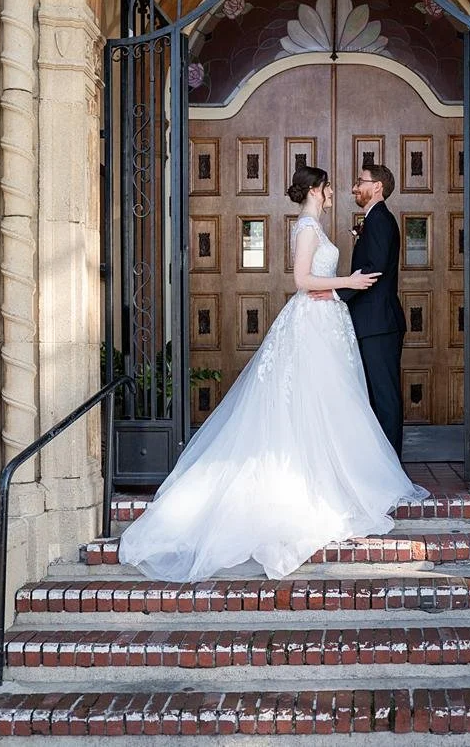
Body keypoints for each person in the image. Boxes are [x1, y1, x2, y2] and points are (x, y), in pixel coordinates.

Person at [117, 164, 427, 581]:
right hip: (312, 324)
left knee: (330, 405)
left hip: (327, 323)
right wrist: (345, 284)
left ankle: (338, 476)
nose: (338, 190)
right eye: (331, 186)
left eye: (348, 184)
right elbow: (302, 280)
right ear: (316, 190)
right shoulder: (305, 228)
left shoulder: (316, 225)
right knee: (310, 403)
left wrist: (339, 286)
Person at [337, 164, 408, 457]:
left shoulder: (380, 220)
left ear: (377, 186)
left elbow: (373, 269)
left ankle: (391, 466)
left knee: (385, 397)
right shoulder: (375, 219)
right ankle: (379, 462)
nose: (355, 188)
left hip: (379, 324)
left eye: (360, 182)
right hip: (372, 323)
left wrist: (335, 294)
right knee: (375, 397)